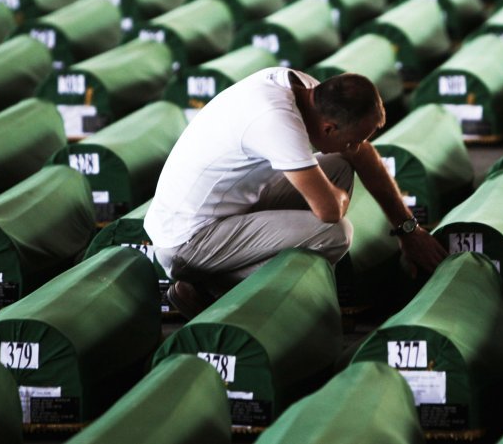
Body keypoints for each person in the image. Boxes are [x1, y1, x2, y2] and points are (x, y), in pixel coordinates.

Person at [144, 68, 447, 318]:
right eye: (354, 139)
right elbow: (329, 210)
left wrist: (409, 229)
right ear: (329, 128)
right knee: (335, 232)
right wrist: (338, 199)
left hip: (226, 213)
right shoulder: (276, 121)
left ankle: (220, 280)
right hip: (187, 241)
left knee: (340, 164)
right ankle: (207, 288)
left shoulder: (307, 92)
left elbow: (362, 156)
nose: (357, 147)